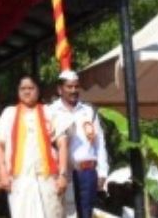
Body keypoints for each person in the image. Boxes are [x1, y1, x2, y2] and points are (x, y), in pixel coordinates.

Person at [0, 75, 69, 218]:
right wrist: (3, 173)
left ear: (38, 90)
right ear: (18, 91)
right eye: (23, 88)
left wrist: (63, 175)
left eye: (31, 88)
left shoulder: (49, 112)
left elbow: (62, 143)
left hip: (47, 179)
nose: (27, 91)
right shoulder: (9, 113)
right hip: (19, 180)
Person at [48, 69, 109, 218]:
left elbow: (99, 142)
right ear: (60, 89)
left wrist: (102, 172)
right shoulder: (50, 111)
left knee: (86, 214)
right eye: (69, 87)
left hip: (87, 173)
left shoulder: (88, 111)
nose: (74, 90)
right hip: (62, 175)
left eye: (76, 86)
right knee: (63, 214)